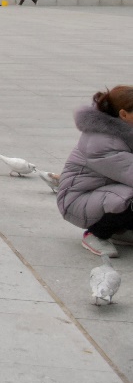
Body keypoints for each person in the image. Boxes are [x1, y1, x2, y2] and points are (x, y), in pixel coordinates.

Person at [57, 87, 133, 258]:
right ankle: (96, 234)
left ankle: (121, 231)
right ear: (123, 114)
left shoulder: (125, 133)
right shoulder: (103, 143)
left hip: (107, 192)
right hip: (78, 199)